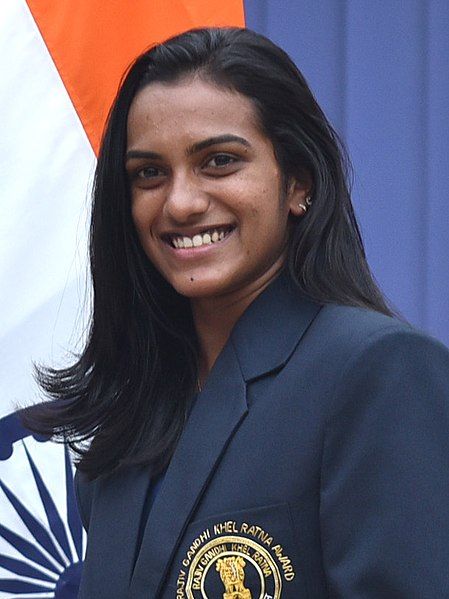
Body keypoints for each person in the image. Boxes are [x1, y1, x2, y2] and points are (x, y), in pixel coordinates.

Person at [23, 27, 449, 598]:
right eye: (149, 173)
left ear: (297, 181)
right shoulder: (128, 421)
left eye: (219, 161)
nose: (180, 202)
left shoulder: (378, 372)